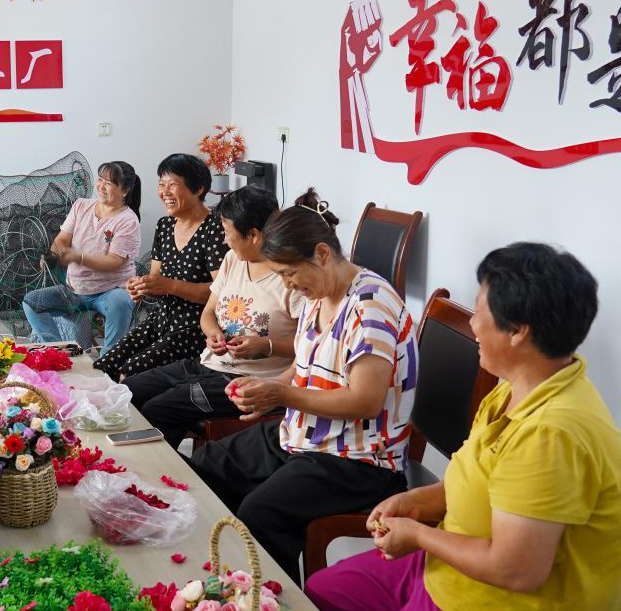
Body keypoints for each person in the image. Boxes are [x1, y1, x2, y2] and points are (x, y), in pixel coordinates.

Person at [306, 243, 621, 611]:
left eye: (480, 311)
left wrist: (419, 536)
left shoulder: (550, 434)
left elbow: (516, 570)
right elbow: (480, 480)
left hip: (493, 598)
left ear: (518, 331)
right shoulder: (521, 386)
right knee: (324, 590)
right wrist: (415, 501)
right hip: (448, 567)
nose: (473, 324)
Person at [188, 188, 417, 586]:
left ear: (322, 254)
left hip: (359, 460)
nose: (289, 286)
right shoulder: (320, 293)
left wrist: (281, 394)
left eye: (290, 274)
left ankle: (272, 596)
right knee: (206, 468)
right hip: (307, 435)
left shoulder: (371, 308)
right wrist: (267, 389)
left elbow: (365, 401)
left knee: (261, 512)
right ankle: (228, 580)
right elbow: (302, 366)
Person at [124, 186, 303, 449]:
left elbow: (310, 347)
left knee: (158, 410)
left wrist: (266, 345)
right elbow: (208, 314)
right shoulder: (233, 260)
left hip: (246, 379)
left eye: (228, 233)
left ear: (254, 235)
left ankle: (163, 471)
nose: (225, 241)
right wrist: (213, 334)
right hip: (208, 364)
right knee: (128, 391)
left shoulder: (292, 277)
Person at [93, 153, 227, 381]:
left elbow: (223, 292)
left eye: (172, 185)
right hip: (160, 320)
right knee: (104, 365)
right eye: (161, 185)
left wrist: (170, 286)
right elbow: (156, 279)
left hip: (195, 329)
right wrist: (142, 286)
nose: (165, 192)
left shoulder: (215, 229)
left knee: (129, 372)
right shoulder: (165, 225)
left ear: (198, 189)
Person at [21, 161, 142, 352]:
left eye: (109, 183)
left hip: (109, 292)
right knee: (32, 302)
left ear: (125, 190)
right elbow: (62, 239)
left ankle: (108, 359)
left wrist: (78, 258)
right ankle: (57, 349)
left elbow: (115, 261)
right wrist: (54, 254)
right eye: (100, 180)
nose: (101, 186)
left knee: (121, 301)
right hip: (74, 290)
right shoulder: (81, 206)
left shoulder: (128, 221)